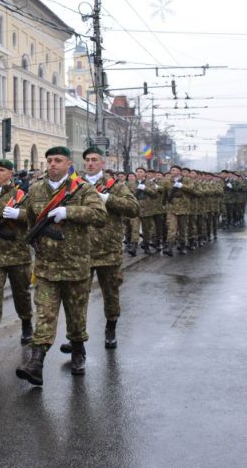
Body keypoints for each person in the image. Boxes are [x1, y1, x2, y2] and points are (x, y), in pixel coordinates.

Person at [12, 146, 107, 386]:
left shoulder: (83, 189)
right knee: (44, 315)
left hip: (75, 266)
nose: (52, 164)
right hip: (46, 267)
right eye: (50, 160)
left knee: (75, 317)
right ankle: (36, 364)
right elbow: (32, 220)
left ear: (68, 164)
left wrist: (69, 211)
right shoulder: (35, 189)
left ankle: (78, 350)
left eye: (58, 160)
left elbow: (100, 215)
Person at [79, 147, 138, 350]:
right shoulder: (75, 185)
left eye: (95, 159)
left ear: (103, 163)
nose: (90, 163)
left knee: (110, 294)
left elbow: (133, 208)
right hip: (79, 251)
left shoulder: (115, 186)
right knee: (77, 297)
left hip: (108, 251)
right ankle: (77, 337)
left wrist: (108, 199)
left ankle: (111, 328)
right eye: (87, 159)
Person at [0, 159, 33, 349]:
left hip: (17, 253)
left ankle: (26, 323)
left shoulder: (21, 195)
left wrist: (19, 215)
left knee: (21, 293)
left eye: (1, 170)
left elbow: (35, 216)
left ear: (10, 173)